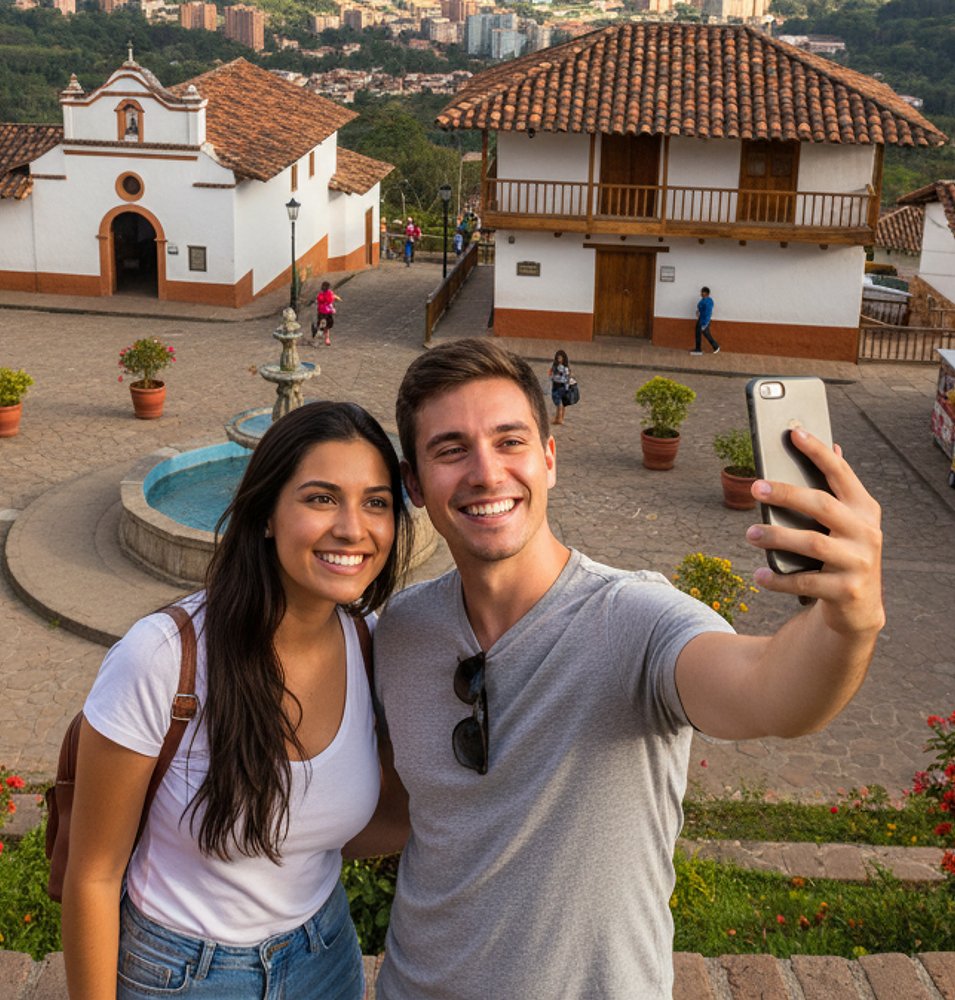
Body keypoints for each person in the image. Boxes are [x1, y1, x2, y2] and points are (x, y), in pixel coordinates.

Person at [373, 338, 884, 1000]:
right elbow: (395, 807)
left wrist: (847, 624)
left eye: (510, 442)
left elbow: (769, 693)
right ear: (414, 484)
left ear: (549, 459)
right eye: (450, 449)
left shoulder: (636, 618)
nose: (486, 472)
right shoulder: (402, 633)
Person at [61, 400, 413, 1000]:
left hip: (324, 957)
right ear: (267, 514)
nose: (354, 528)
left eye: (375, 501)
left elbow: (359, 823)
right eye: (321, 497)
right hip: (182, 972)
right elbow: (93, 875)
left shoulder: (372, 644)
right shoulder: (164, 657)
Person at [692, 285, 720, 355]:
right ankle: (698, 349)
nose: (701, 294)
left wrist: (705, 323)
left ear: (706, 293)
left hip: (703, 321)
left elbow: (707, 312)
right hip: (700, 319)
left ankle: (715, 346)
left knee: (707, 334)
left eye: (702, 292)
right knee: (698, 334)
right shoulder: (703, 300)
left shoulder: (708, 302)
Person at [311, 281, 340, 346]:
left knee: (321, 325)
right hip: (327, 313)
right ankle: (326, 339)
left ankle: (317, 337)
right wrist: (333, 309)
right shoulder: (329, 294)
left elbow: (319, 302)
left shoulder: (320, 295)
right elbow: (330, 303)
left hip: (321, 312)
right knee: (326, 327)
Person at [546, 348, 571, 425]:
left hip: (561, 385)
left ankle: (559, 418)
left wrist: (567, 387)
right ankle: (557, 417)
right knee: (556, 401)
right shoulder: (555, 367)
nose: (559, 359)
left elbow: (567, 378)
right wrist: (551, 378)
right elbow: (552, 374)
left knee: (559, 402)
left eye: (560, 358)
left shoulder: (565, 369)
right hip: (555, 384)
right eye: (558, 358)